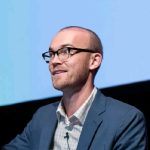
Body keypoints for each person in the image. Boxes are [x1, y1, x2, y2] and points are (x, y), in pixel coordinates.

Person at [2, 26, 147, 150]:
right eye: (52, 54)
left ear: (94, 61)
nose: (55, 61)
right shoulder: (43, 116)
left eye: (66, 51)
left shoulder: (125, 119)